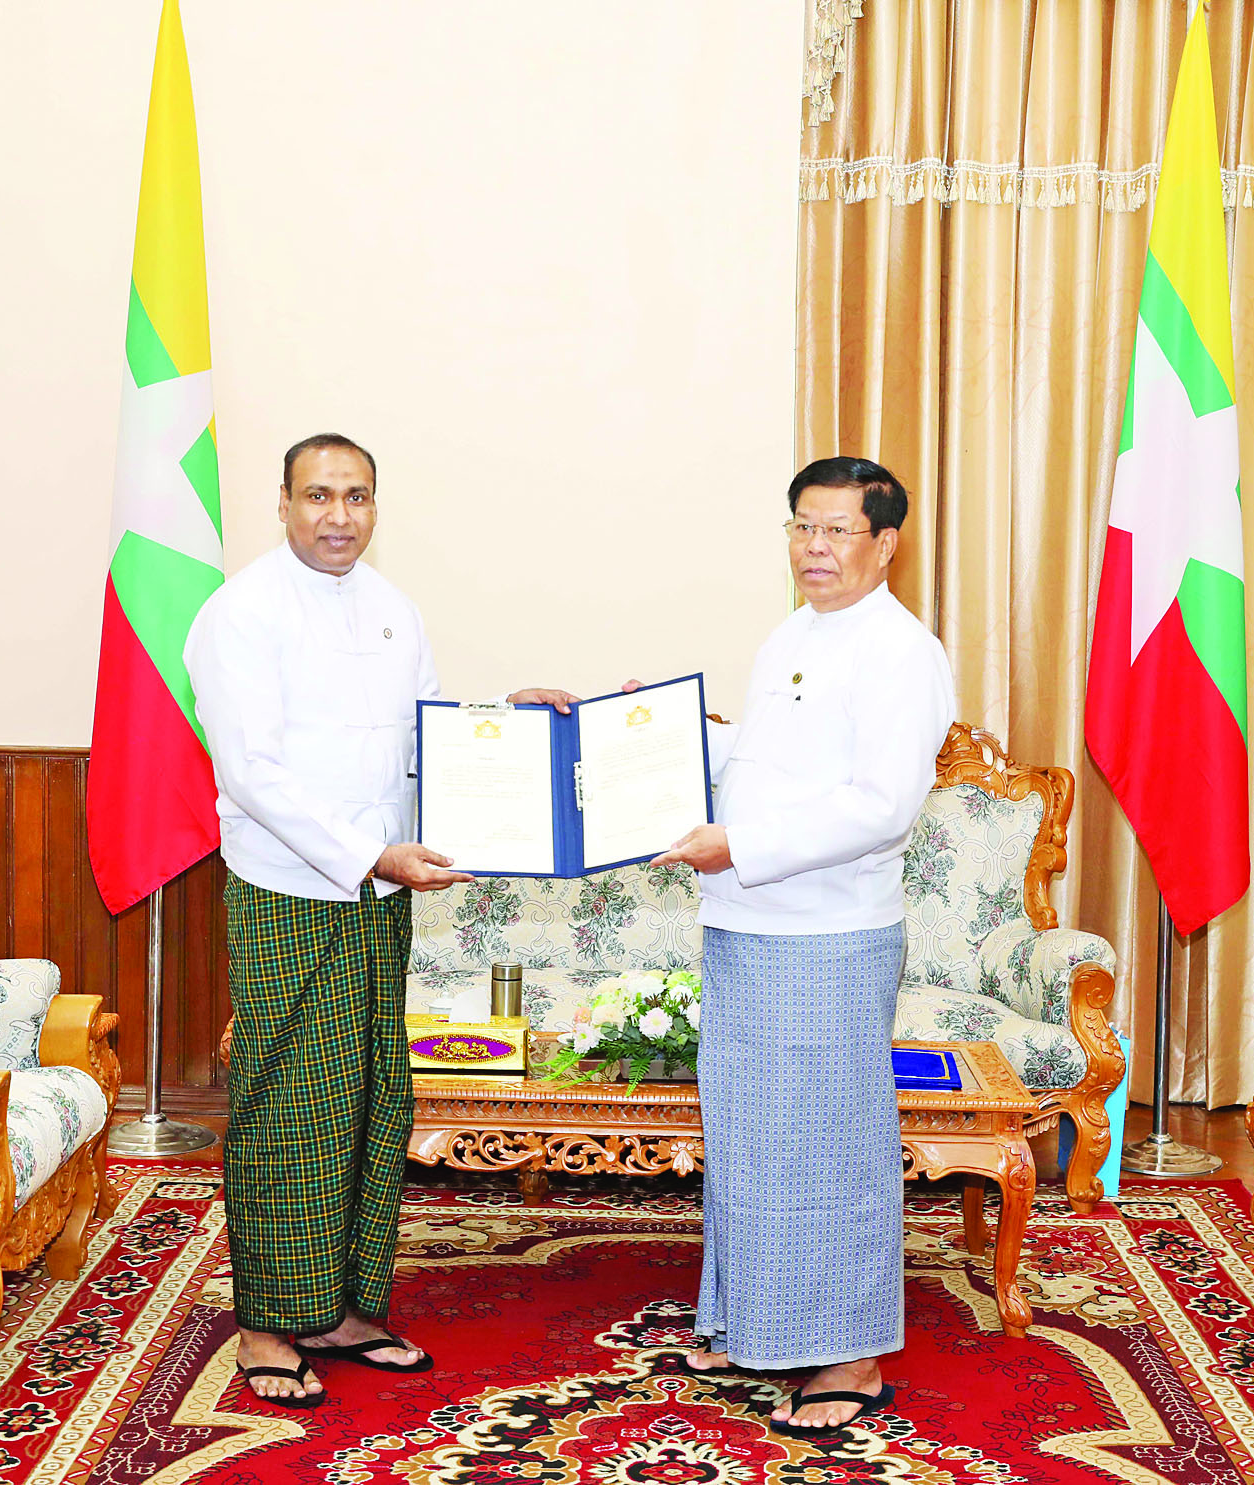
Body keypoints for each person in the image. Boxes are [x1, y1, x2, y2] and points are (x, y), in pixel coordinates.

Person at [186, 433, 576, 1406]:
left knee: (369, 1100)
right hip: (291, 888)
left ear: (374, 505)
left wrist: (509, 721)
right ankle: (268, 1324)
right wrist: (370, 853)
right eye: (318, 495)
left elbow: (425, 741)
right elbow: (252, 773)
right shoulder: (241, 613)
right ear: (282, 504)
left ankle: (345, 1307)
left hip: (380, 893)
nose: (338, 515)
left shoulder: (395, 610)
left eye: (356, 496)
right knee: (288, 1104)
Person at [651, 456, 955, 1436]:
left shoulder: (902, 652)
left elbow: (879, 805)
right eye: (800, 527)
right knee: (750, 1138)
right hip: (746, 922)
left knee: (828, 1146)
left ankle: (851, 1353)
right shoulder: (792, 631)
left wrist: (739, 844)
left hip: (827, 933)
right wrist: (655, 733)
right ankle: (756, 1323)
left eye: (836, 530)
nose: (813, 548)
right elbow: (760, 762)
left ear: (884, 543)